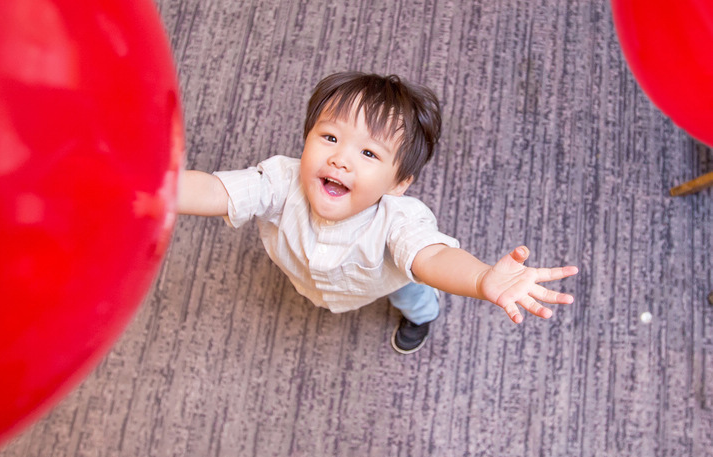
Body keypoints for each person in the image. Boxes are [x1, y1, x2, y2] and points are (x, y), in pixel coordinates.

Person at [177, 71, 578, 354]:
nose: (339, 159)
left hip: (388, 281)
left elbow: (432, 256)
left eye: (368, 153)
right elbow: (219, 189)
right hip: (301, 270)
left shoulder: (398, 220)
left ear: (398, 182)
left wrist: (480, 278)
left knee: (416, 297)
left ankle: (420, 320)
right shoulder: (280, 179)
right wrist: (161, 189)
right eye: (330, 137)